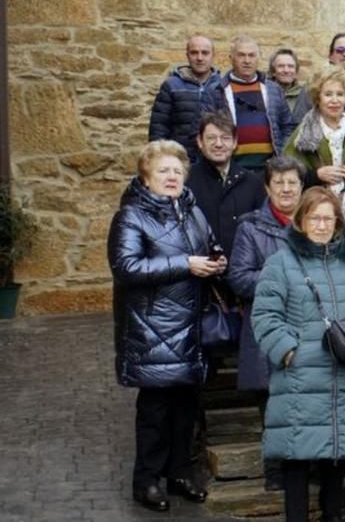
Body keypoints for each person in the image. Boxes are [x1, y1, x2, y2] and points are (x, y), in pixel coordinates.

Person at [251, 188, 345, 522]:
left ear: (339, 223)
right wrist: (288, 351)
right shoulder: (281, 263)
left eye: (329, 218)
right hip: (301, 375)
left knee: (336, 454)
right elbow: (265, 316)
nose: (322, 225)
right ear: (300, 221)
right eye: (315, 218)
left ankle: (332, 516)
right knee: (297, 456)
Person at [109, 140, 219, 512]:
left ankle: (178, 474)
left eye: (176, 170)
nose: (172, 177)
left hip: (190, 327)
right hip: (151, 328)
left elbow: (208, 244)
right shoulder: (131, 216)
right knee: (155, 412)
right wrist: (185, 264)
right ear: (146, 176)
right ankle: (147, 481)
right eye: (163, 171)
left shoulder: (191, 210)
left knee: (185, 409)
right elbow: (126, 268)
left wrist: (215, 261)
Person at [227, 155, 305, 491]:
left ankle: (308, 467)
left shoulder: (315, 221)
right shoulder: (250, 226)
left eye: (293, 182)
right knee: (273, 404)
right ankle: (276, 471)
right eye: (279, 182)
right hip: (269, 326)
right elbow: (239, 278)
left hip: (309, 326)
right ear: (267, 187)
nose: (286, 189)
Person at [284, 68, 345, 196]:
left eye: (340, 94)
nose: (335, 100)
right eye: (328, 94)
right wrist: (316, 175)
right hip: (318, 203)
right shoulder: (304, 131)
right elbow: (287, 170)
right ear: (318, 98)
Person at [202, 35, 296, 171]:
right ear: (231, 59)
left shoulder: (273, 89)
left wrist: (280, 156)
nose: (247, 61)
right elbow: (203, 131)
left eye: (252, 55)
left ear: (258, 58)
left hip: (269, 169)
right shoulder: (216, 91)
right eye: (241, 55)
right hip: (231, 168)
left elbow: (287, 126)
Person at [186, 112, 265, 262]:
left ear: (235, 142)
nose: (218, 144)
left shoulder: (253, 183)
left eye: (225, 138)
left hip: (241, 273)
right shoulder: (185, 182)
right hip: (199, 274)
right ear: (200, 141)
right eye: (211, 138)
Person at [149, 35, 223, 163]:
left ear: (213, 55)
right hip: (179, 160)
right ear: (187, 55)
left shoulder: (222, 86)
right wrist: (159, 159)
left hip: (214, 160)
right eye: (194, 53)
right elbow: (159, 127)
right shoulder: (171, 86)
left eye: (205, 53)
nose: (199, 58)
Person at [268, 48, 306, 118]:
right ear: (273, 72)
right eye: (281, 66)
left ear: (296, 71)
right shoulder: (264, 93)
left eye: (291, 66)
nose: (286, 70)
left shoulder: (305, 96)